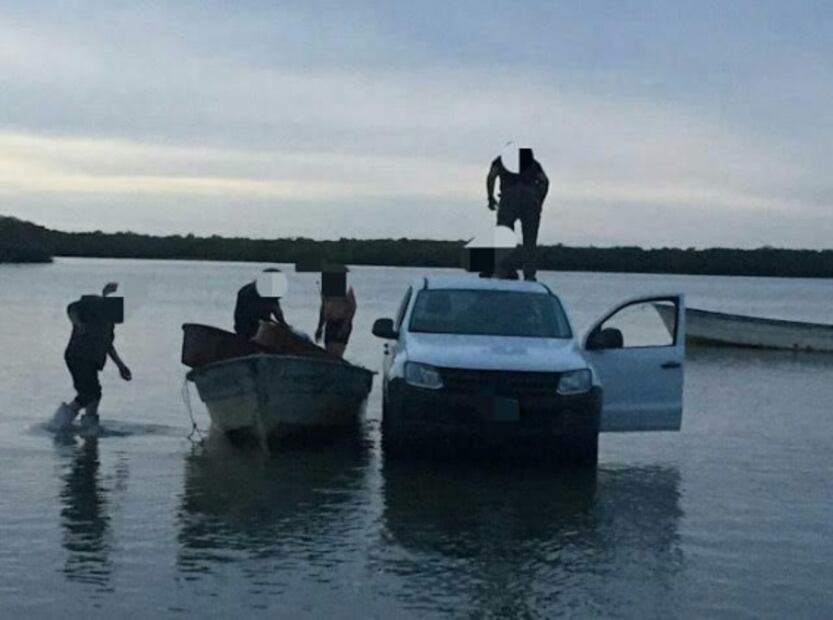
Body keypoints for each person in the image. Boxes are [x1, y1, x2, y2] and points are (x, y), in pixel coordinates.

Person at [61, 282, 132, 428]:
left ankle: (89, 423)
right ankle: (60, 422)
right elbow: (72, 308)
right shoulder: (91, 313)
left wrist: (121, 366)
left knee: (95, 393)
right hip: (77, 356)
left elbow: (109, 347)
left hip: (92, 360)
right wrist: (78, 324)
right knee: (88, 393)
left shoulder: (109, 326)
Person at [486, 147, 549, 281]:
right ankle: (529, 274)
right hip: (531, 198)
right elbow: (544, 181)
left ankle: (503, 272)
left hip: (509, 196)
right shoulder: (532, 162)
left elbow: (491, 176)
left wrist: (490, 197)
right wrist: (540, 201)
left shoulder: (500, 160)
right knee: (530, 240)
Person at [234, 269, 287, 340]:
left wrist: (283, 324)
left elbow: (277, 311)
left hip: (260, 326)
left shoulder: (270, 292)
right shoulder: (247, 293)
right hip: (246, 324)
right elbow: (245, 315)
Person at [315, 286, 356, 358]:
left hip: (342, 322)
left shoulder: (344, 285)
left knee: (336, 353)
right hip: (330, 323)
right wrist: (320, 327)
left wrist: (345, 324)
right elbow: (323, 306)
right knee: (329, 353)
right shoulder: (328, 285)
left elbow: (352, 307)